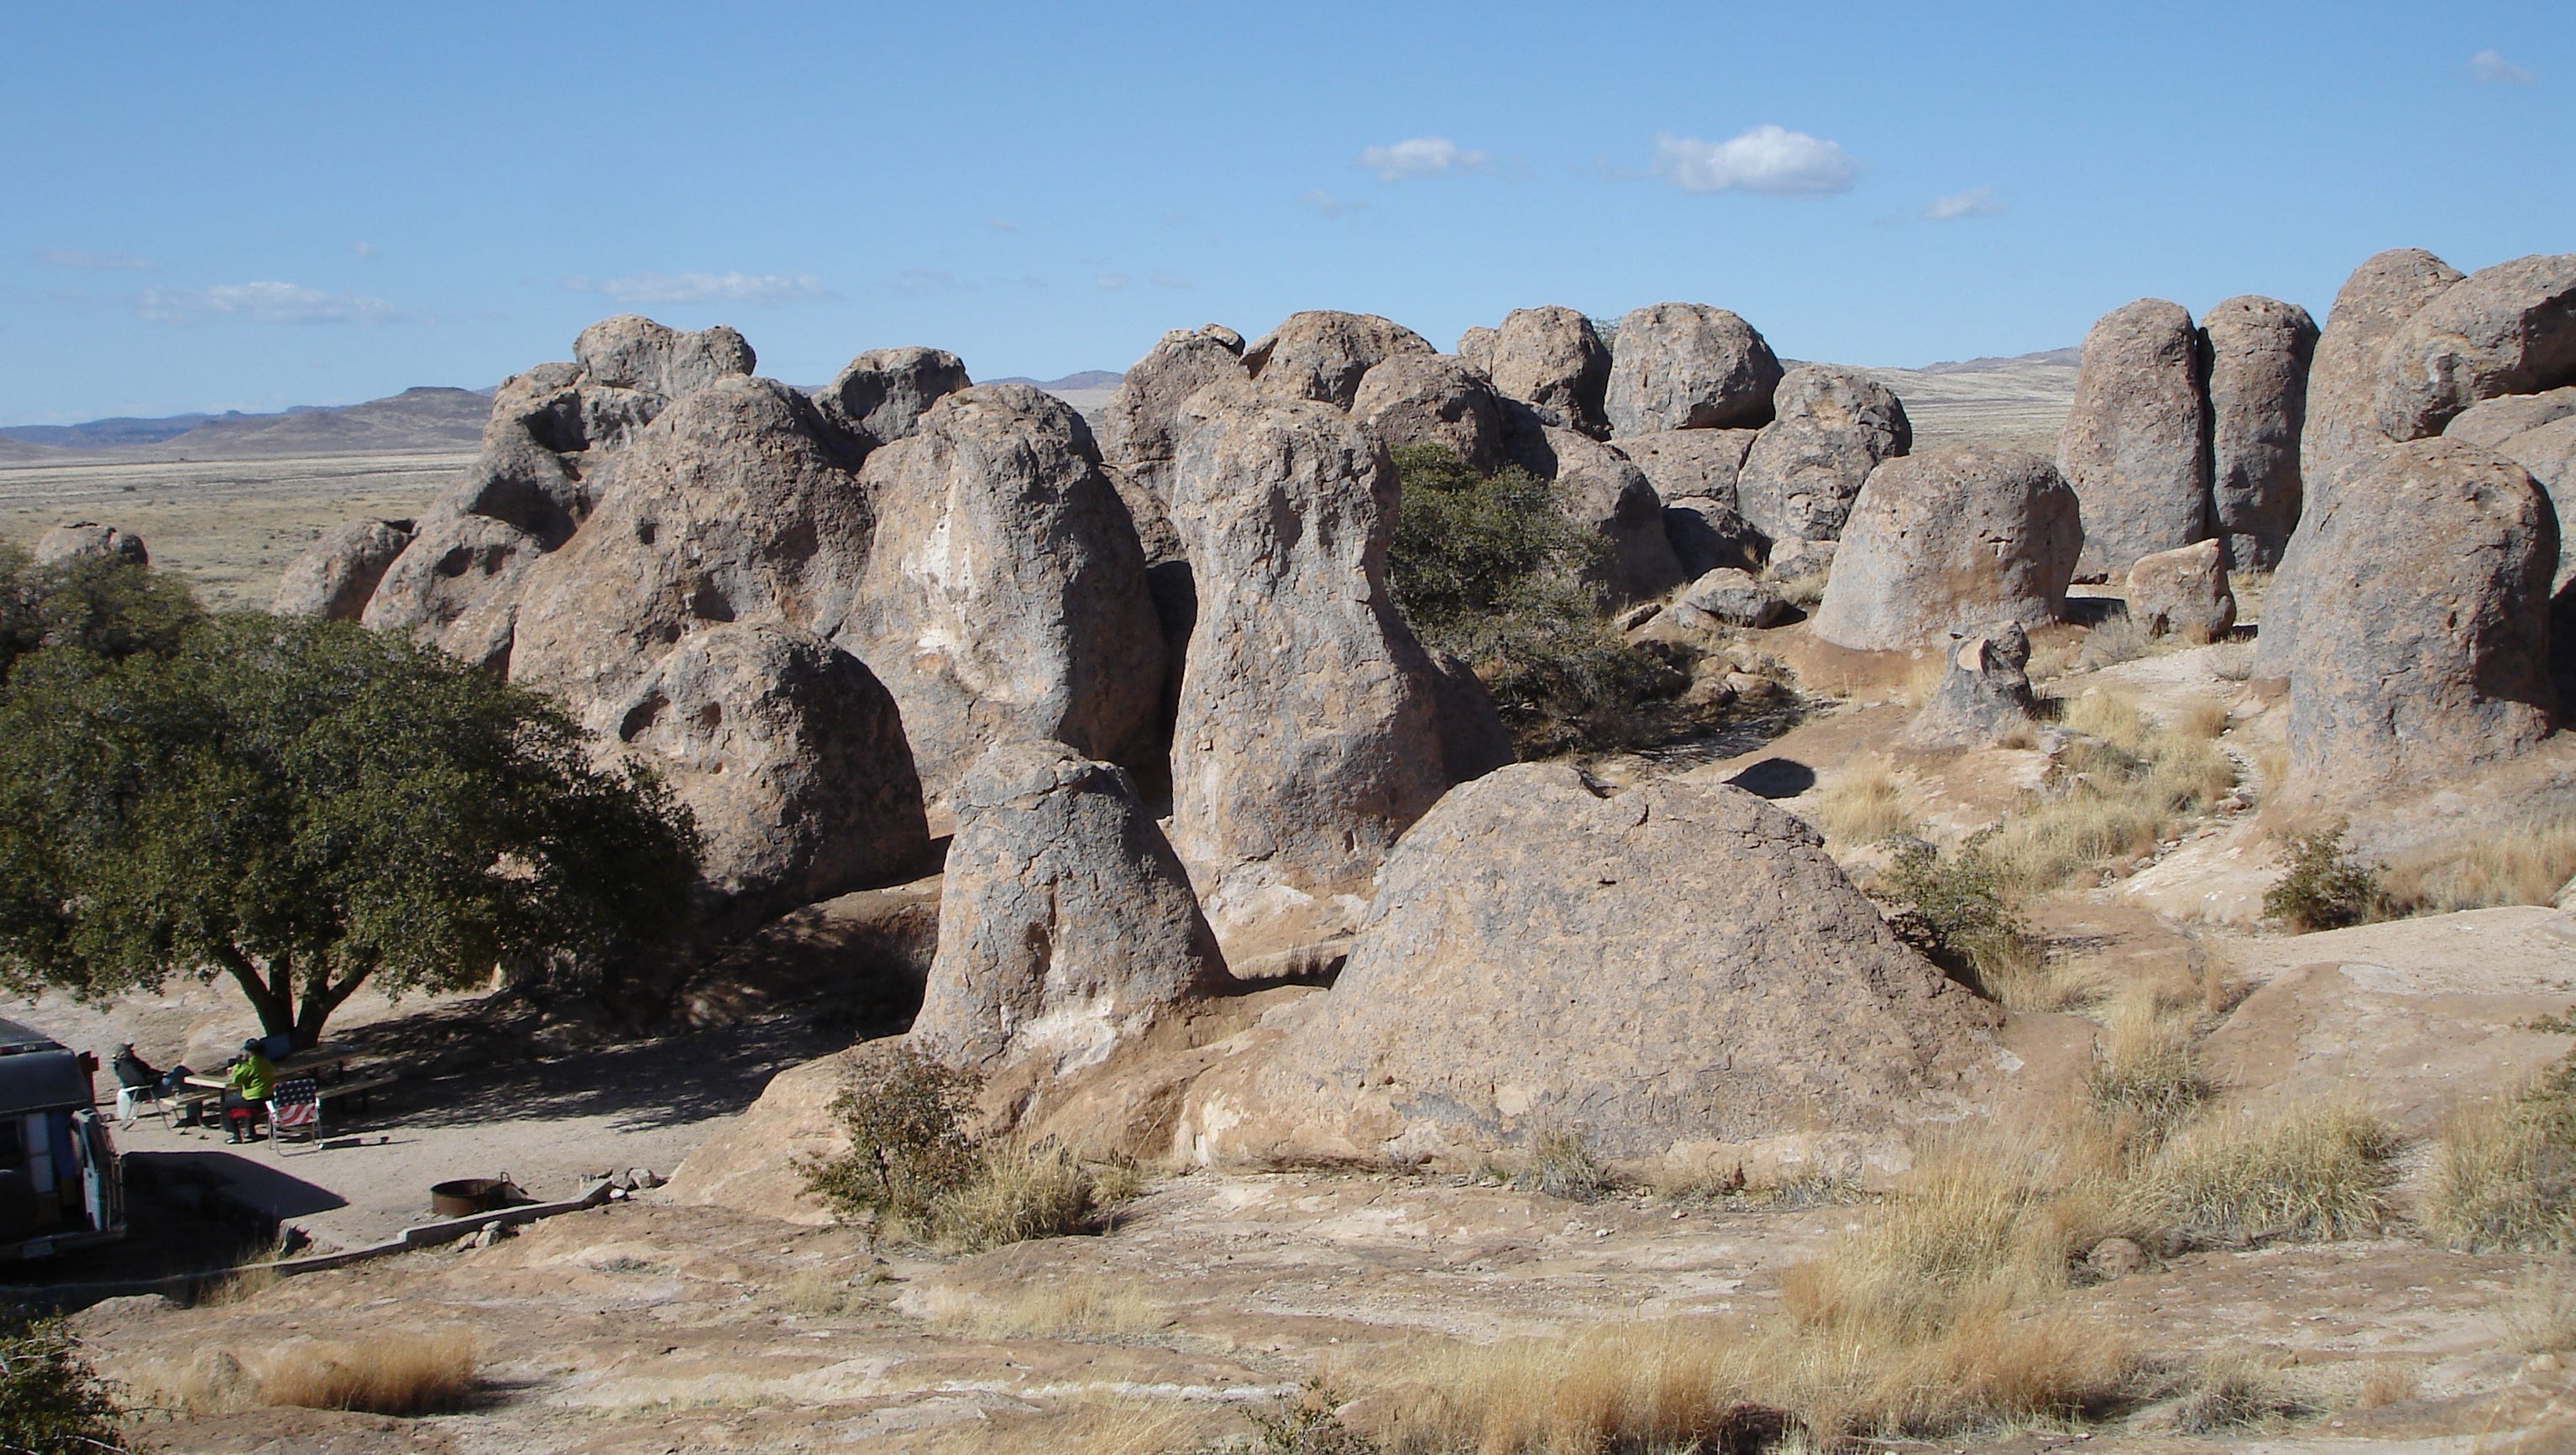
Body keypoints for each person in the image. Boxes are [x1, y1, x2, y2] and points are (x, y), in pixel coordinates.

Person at [223, 1038, 275, 1144]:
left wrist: (238, 1065)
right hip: (269, 1097)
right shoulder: (266, 1061)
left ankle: (236, 1136)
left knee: (226, 1105)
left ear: (250, 1052)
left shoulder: (250, 1065)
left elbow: (236, 1080)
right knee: (241, 1098)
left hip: (255, 1099)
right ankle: (250, 1132)